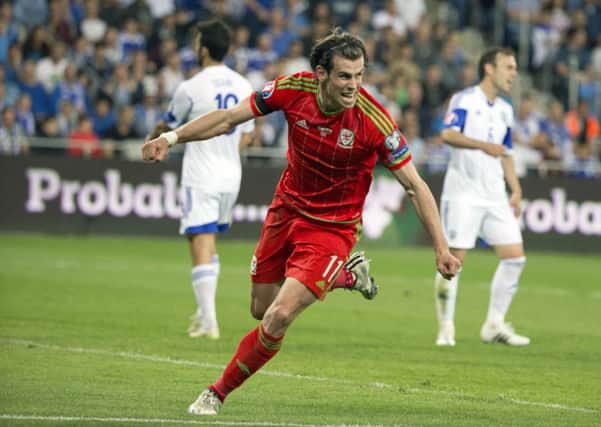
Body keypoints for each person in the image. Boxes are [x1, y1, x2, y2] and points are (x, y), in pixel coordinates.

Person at [142, 28, 461, 415]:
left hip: (333, 229)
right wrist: (171, 139)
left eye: (360, 75)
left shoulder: (373, 120)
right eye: (345, 76)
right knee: (260, 309)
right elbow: (228, 119)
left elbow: (414, 185)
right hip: (287, 210)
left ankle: (215, 393)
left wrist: (441, 248)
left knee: (278, 317)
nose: (354, 86)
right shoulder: (293, 89)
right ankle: (345, 276)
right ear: (321, 74)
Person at [147, 19, 255, 340]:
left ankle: (209, 320)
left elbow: (168, 127)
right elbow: (248, 136)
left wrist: (153, 141)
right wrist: (227, 153)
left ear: (204, 48)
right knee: (209, 240)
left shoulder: (190, 87)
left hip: (201, 174)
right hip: (230, 175)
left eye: (196, 42)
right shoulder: (243, 85)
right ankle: (204, 311)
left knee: (199, 241)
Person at [433, 47, 530, 347]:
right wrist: (481, 146)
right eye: (509, 67)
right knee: (453, 263)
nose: (513, 73)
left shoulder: (505, 109)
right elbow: (448, 134)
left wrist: (514, 188)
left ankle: (494, 324)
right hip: (463, 193)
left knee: (515, 258)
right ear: (489, 68)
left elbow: (506, 152)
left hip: (495, 195)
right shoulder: (465, 99)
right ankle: (446, 328)